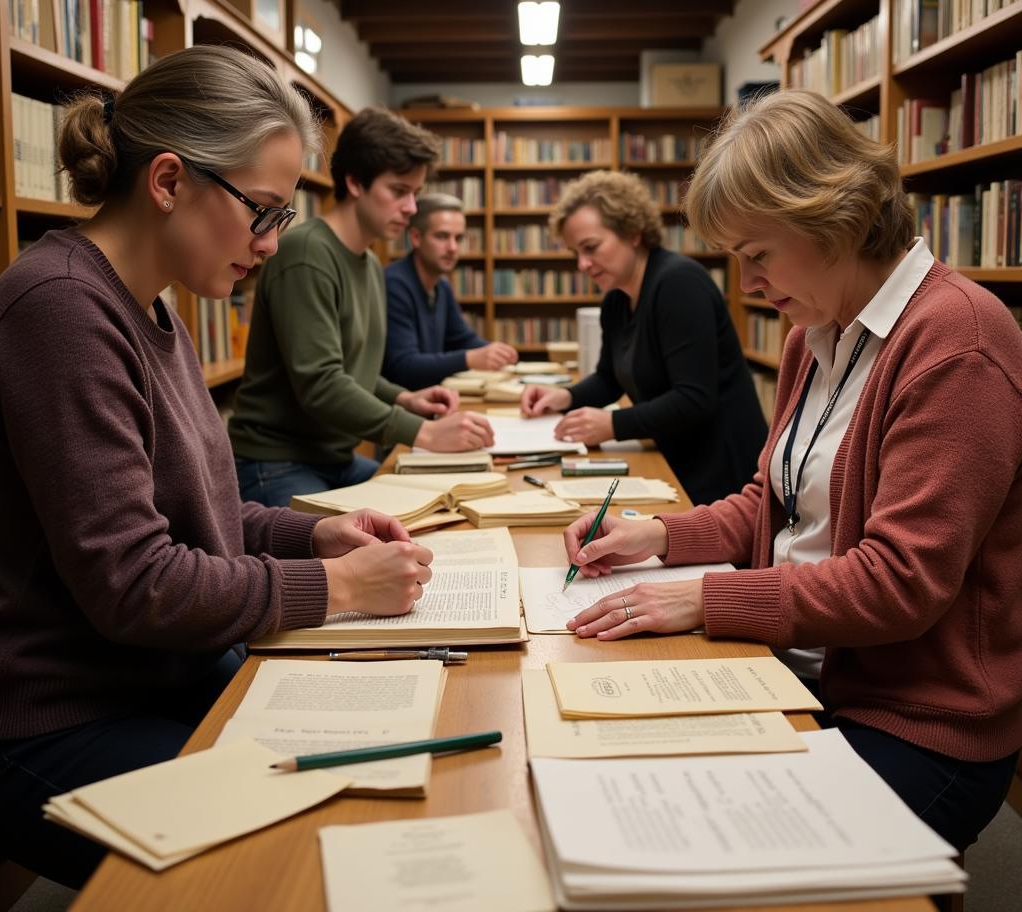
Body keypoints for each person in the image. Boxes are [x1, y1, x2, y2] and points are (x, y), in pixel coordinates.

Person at [0, 46, 436, 888]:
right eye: (264, 211)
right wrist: (342, 589)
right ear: (168, 181)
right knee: (302, 862)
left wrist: (320, 538)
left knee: (392, 769)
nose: (273, 245)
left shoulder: (152, 307)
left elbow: (210, 514)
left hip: (158, 677)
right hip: (60, 718)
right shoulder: (59, 308)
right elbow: (135, 582)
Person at [562, 89, 1022, 854]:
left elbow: (901, 580)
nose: (745, 286)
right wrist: (658, 536)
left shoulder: (959, 342)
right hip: (798, 667)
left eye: (756, 255)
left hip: (916, 720)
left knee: (711, 846)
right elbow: (772, 503)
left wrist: (709, 597)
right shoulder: (817, 328)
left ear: (832, 217)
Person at [228, 108, 494, 507]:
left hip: (333, 459)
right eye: (399, 191)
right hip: (276, 464)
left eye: (415, 194)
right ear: (354, 182)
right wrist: (423, 432)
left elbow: (353, 369)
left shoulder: (369, 261)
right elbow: (321, 384)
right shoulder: (306, 253)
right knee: (382, 547)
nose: (410, 207)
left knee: (447, 504)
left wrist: (404, 398)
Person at [520, 169, 766, 506]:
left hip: (720, 475)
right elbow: (610, 378)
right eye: (575, 253)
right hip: (674, 457)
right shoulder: (617, 299)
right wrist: (563, 396)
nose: (582, 264)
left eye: (591, 247)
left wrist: (612, 423)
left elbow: (694, 399)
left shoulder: (680, 284)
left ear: (632, 232)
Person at [382, 192, 518, 389]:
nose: (453, 247)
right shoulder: (394, 284)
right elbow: (403, 368)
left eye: (459, 238)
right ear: (416, 237)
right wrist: (470, 359)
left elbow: (462, 339)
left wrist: (495, 353)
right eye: (442, 236)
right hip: (403, 410)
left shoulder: (441, 286)